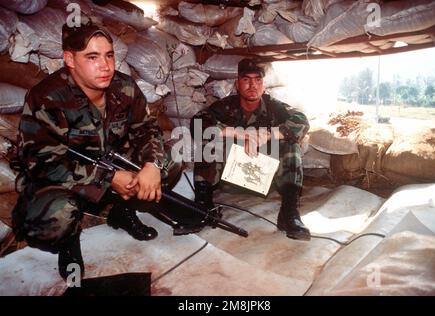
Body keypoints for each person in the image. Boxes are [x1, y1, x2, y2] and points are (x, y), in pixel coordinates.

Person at [10, 18, 188, 281]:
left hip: (115, 169)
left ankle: (122, 212)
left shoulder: (124, 86)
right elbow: (45, 164)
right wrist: (109, 179)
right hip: (64, 181)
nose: (105, 66)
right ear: (69, 60)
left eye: (109, 55)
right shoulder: (47, 97)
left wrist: (151, 165)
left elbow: (146, 129)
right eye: (92, 57)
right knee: (56, 218)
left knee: (169, 163)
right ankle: (69, 242)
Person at [190, 58, 311, 240]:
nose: (252, 85)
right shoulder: (225, 106)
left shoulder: (273, 107)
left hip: (265, 181)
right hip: (229, 180)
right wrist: (239, 134)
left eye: (257, 80)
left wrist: (266, 135)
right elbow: (197, 123)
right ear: (237, 84)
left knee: (291, 143)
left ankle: (289, 213)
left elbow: (302, 121)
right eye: (246, 80)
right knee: (209, 140)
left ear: (263, 84)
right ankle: (202, 207)